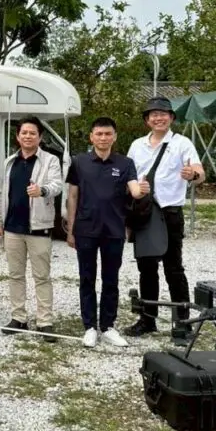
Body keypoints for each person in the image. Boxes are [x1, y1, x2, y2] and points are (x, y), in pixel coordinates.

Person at [123, 97, 204, 340]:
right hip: (144, 211)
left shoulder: (182, 143)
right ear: (147, 120)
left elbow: (200, 173)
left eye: (163, 114)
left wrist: (192, 175)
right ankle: (147, 320)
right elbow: (128, 177)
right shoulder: (137, 145)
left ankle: (182, 322)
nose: (159, 118)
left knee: (173, 268)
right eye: (153, 115)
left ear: (171, 118)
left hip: (170, 212)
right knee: (146, 268)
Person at [65, 117, 143, 348]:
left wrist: (141, 190)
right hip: (86, 229)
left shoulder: (125, 163)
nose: (103, 138)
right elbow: (72, 196)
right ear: (91, 137)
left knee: (111, 279)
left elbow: (134, 189)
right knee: (86, 278)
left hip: (114, 230)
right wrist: (71, 229)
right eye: (98, 134)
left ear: (114, 137)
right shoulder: (79, 162)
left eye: (108, 134)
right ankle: (89, 326)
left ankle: (108, 326)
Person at [0, 117, 63, 340]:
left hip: (39, 228)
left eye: (33, 133)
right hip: (12, 228)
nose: (28, 136)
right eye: (24, 133)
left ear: (40, 137)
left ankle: (45, 322)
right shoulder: (9, 162)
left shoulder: (50, 160)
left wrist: (42, 190)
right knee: (15, 275)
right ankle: (18, 318)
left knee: (42, 276)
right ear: (17, 136)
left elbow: (57, 185)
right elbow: (3, 193)